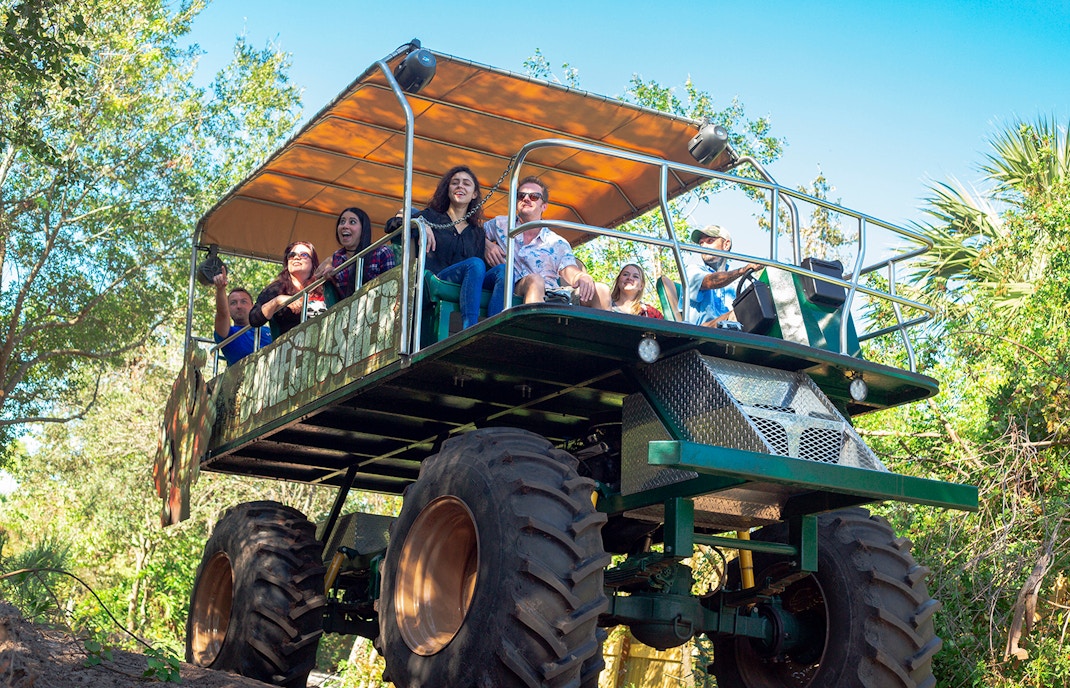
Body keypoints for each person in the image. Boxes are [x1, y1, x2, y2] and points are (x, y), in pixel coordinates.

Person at [483, 176, 609, 314]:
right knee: (535, 280)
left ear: (544, 206)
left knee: (602, 290)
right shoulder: (501, 224)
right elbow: (472, 233)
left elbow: (569, 270)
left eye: (534, 196)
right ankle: (535, 331)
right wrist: (487, 245)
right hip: (516, 287)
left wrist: (582, 277)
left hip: (553, 294)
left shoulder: (556, 242)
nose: (526, 199)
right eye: (521, 195)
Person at [409, 166, 488, 329]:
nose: (460, 186)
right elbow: (393, 224)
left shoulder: (477, 232)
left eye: (466, 183)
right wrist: (419, 223)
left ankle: (493, 330)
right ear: (448, 190)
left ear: (474, 194)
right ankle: (470, 329)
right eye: (455, 183)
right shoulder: (430, 216)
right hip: (436, 278)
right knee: (475, 264)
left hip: (466, 283)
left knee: (502, 271)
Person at [681, 225, 762, 326]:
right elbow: (710, 281)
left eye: (710, 241)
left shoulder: (742, 281)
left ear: (726, 245)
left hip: (733, 333)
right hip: (700, 334)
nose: (704, 246)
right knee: (741, 314)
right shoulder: (692, 271)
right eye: (701, 243)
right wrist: (741, 271)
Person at [314, 207, 397, 300]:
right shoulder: (337, 257)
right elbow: (315, 278)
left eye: (352, 222)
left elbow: (391, 288)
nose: (345, 226)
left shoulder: (381, 252)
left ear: (363, 229)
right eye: (342, 222)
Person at [249, 241, 326, 336]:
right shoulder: (276, 288)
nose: (297, 258)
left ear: (313, 262)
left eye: (304, 255)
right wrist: (277, 300)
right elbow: (254, 319)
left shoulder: (324, 285)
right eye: (292, 255)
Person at [212, 267, 272, 364]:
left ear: (252, 306)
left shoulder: (268, 331)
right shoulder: (228, 333)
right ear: (228, 308)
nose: (239, 306)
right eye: (233, 303)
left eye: (243, 302)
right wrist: (220, 289)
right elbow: (222, 314)